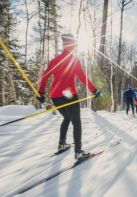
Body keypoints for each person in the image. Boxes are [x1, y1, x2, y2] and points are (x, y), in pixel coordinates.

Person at [36, 33, 100, 161]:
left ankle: (62, 144)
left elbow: (45, 76)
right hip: (69, 95)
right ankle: (78, 151)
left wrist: (41, 92)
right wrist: (94, 90)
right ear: (73, 45)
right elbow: (82, 78)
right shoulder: (74, 60)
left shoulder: (55, 60)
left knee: (67, 118)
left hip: (55, 96)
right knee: (76, 121)